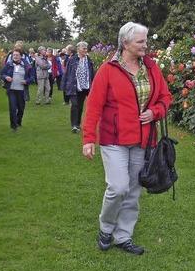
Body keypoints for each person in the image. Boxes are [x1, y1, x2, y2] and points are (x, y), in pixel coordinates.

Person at [82, 22, 172, 255]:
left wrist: (155, 112)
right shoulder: (108, 70)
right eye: (140, 41)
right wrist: (89, 138)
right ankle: (105, 228)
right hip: (114, 140)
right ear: (125, 43)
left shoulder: (151, 67)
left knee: (133, 190)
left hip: (143, 140)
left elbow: (165, 97)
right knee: (118, 187)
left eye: (145, 40)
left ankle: (124, 236)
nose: (145, 45)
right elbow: (93, 106)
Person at [63, 42, 95, 133]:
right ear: (78, 49)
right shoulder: (72, 60)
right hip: (74, 86)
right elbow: (67, 73)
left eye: (86, 48)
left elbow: (91, 73)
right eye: (84, 48)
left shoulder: (88, 60)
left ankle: (77, 124)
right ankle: (74, 125)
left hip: (85, 86)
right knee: (75, 104)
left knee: (80, 106)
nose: (86, 50)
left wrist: (93, 84)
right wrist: (64, 85)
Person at [0, 49, 32, 131]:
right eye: (14, 55)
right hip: (12, 90)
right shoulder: (8, 64)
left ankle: (18, 121)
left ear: (21, 56)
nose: (15, 56)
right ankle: (13, 126)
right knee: (13, 108)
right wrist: (6, 77)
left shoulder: (27, 65)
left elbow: (32, 77)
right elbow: (1, 74)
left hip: (22, 90)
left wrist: (26, 81)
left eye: (17, 55)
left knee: (21, 108)